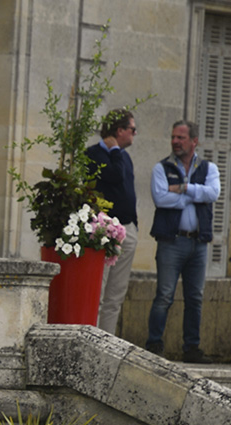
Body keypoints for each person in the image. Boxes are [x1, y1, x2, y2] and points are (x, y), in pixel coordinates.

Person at [146, 120, 221, 363]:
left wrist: (183, 188)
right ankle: (154, 344)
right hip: (171, 241)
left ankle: (191, 348)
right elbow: (160, 199)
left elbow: (213, 194)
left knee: (195, 297)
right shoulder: (162, 167)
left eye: (181, 137)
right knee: (164, 295)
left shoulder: (209, 168)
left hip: (198, 243)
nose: (175, 142)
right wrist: (193, 196)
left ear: (194, 141)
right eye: (173, 137)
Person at [87, 109, 139, 334]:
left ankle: (107, 340)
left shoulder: (124, 156)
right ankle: (92, 338)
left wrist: (134, 225)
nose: (134, 134)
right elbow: (115, 176)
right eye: (132, 129)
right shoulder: (95, 154)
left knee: (116, 294)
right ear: (120, 131)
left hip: (127, 230)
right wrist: (115, 150)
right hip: (104, 231)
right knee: (97, 290)